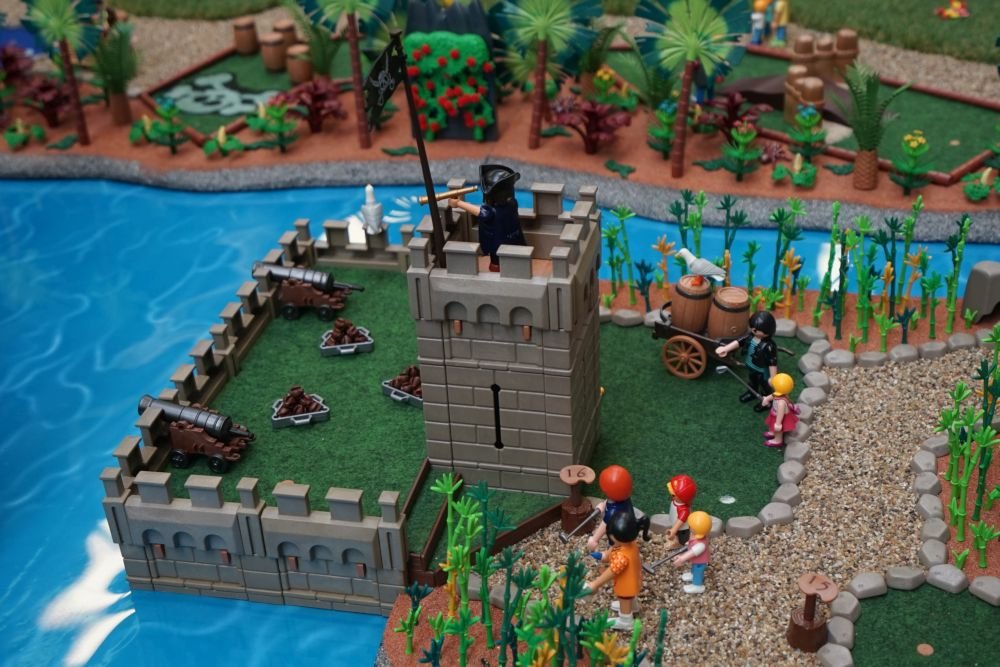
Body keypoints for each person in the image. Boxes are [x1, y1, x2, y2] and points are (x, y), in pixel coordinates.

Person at [448, 164, 526, 272]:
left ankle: (497, 267)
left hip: (498, 242)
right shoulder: (513, 204)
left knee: (497, 258)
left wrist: (458, 203)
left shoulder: (491, 211)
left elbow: (479, 211)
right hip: (515, 236)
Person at [584, 510, 652, 630]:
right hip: (634, 580)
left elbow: (611, 571)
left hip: (625, 585)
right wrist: (603, 555)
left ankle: (626, 621)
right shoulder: (629, 544)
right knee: (630, 597)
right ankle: (633, 607)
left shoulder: (622, 557)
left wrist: (595, 583)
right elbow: (612, 552)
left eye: (612, 539)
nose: (611, 542)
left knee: (624, 599)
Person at [715, 310, 778, 412]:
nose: (753, 330)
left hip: (763, 371)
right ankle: (752, 393)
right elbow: (739, 342)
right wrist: (726, 348)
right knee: (752, 382)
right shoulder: (750, 336)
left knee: (765, 387)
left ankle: (767, 401)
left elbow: (772, 362)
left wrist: (773, 377)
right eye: (752, 327)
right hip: (751, 366)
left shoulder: (769, 346)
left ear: (767, 330)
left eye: (757, 329)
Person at [586, 465, 635, 552]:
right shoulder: (623, 497)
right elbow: (612, 498)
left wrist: (594, 539)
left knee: (614, 549)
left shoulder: (613, 512)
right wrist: (603, 505)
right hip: (626, 528)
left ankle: (613, 552)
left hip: (619, 535)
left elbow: (604, 525)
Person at [671, 511, 711, 594]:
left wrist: (682, 558)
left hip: (700, 563)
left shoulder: (700, 545)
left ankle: (697, 586)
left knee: (698, 572)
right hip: (696, 561)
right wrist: (688, 544)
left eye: (691, 527)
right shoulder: (697, 536)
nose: (689, 528)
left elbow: (692, 553)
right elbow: (691, 543)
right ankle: (692, 575)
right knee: (693, 568)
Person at [761, 372, 799, 447]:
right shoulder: (778, 394)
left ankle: (777, 440)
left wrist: (778, 424)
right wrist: (766, 399)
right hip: (774, 413)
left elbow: (780, 414)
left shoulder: (781, 403)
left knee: (778, 430)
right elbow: (772, 396)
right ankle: (772, 432)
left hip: (779, 418)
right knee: (771, 423)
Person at [665, 474, 697, 548]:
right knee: (676, 537)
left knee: (683, 541)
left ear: (682, 497)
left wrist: (673, 530)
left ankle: (684, 548)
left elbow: (680, 521)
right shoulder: (676, 501)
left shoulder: (683, 510)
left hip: (682, 530)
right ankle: (676, 543)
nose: (671, 496)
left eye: (673, 495)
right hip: (676, 526)